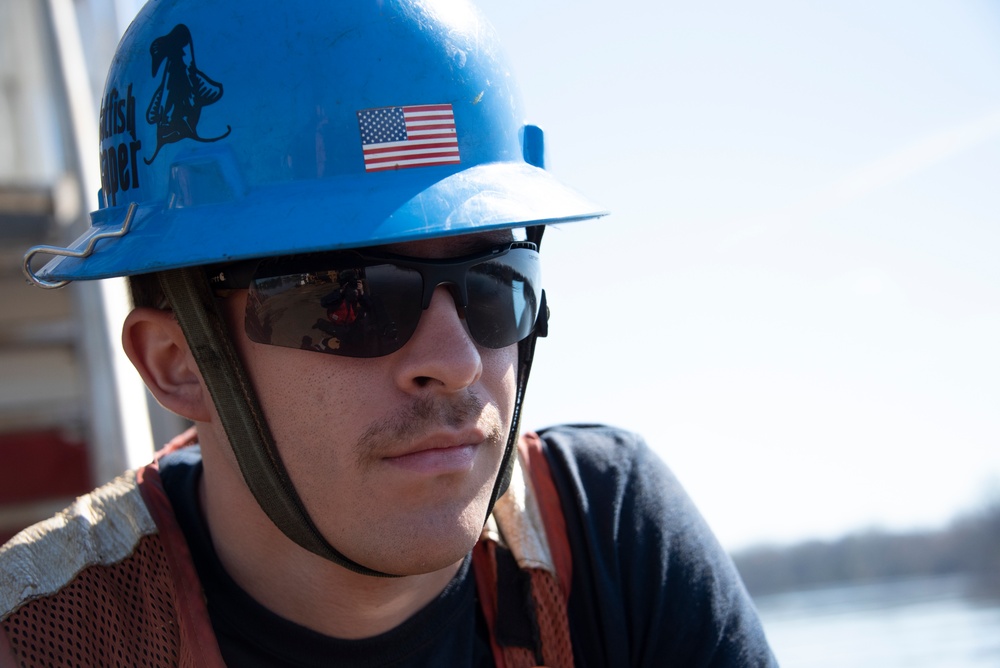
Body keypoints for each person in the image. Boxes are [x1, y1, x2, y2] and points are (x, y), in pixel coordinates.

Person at [2, 1, 777, 665]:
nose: (456, 361)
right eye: (353, 302)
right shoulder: (42, 642)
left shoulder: (606, 543)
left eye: (495, 285)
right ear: (177, 365)